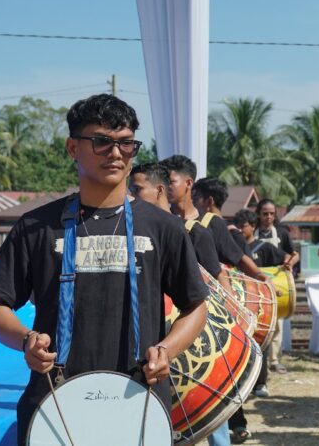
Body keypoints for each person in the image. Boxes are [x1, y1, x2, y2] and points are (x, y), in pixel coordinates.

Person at [0, 94, 208, 445]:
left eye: (126, 144)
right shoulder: (37, 226)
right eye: (102, 142)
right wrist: (27, 341)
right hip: (54, 401)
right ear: (73, 147)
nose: (116, 154)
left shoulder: (164, 228)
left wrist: (166, 350)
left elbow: (195, 306)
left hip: (139, 401)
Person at [128, 162, 234, 445]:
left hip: (191, 339)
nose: (130, 195)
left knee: (208, 412)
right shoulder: (129, 232)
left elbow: (217, 279)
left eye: (136, 189)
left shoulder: (191, 232)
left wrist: (223, 328)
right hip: (151, 338)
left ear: (158, 189)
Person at [161, 156, 263, 280]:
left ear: (188, 183)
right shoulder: (161, 220)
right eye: (163, 182)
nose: (165, 186)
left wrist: (260, 276)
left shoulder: (212, 222)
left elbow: (238, 257)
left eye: (171, 182)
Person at [234, 209, 296, 399]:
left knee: (263, 342)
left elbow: (287, 256)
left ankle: (261, 384)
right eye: (237, 226)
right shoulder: (234, 247)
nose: (239, 230)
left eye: (243, 226)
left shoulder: (264, 248)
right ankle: (243, 383)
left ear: (252, 227)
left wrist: (288, 263)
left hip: (263, 304)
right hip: (242, 302)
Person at [254, 198, 300, 374]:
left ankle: (274, 360)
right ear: (258, 214)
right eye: (265, 214)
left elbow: (294, 255)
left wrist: (290, 263)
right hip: (257, 283)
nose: (268, 217)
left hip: (278, 284)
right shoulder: (252, 232)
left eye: (272, 214)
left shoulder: (282, 233)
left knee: (278, 324)